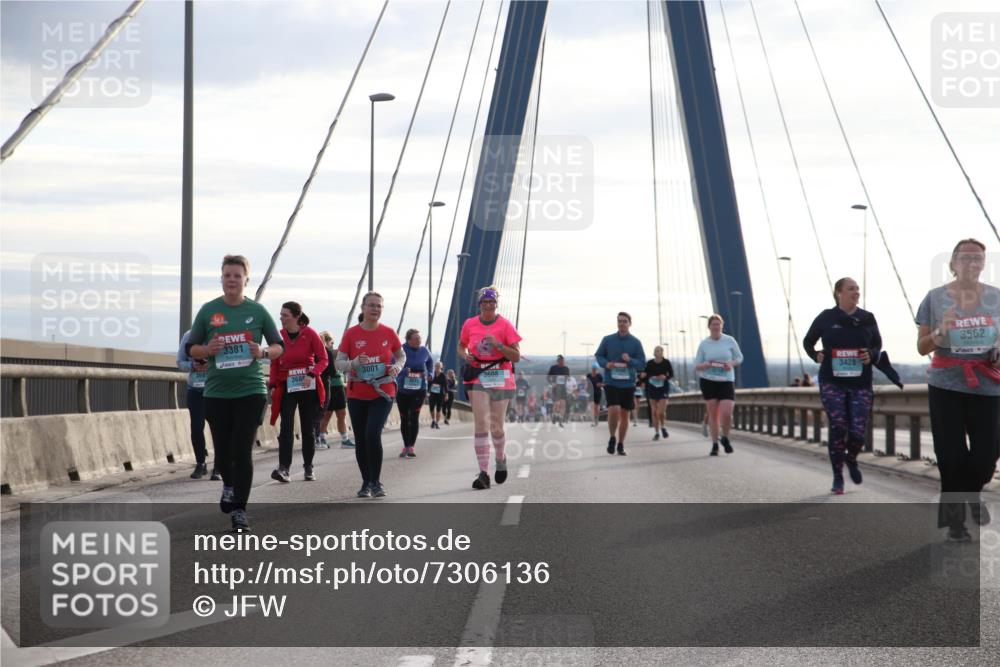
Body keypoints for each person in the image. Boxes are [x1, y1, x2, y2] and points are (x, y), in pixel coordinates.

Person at [186, 255, 283, 532]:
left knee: (242, 451)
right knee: (224, 452)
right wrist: (207, 350)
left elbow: (278, 347)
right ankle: (228, 484)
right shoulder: (208, 311)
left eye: (237, 276)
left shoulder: (258, 311)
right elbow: (191, 349)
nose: (232, 280)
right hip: (216, 392)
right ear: (221, 278)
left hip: (251, 390)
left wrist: (262, 352)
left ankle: (240, 509)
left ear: (246, 280)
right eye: (227, 275)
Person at [916, 238, 1000, 541]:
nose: (972, 263)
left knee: (986, 456)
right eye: (965, 258)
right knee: (951, 457)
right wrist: (942, 331)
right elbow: (921, 346)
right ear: (953, 264)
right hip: (946, 385)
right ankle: (955, 524)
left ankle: (972, 495)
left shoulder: (996, 298)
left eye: (978, 258)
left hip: (988, 385)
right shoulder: (935, 299)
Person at [804, 277, 901, 495]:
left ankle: (851, 458)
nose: (856, 292)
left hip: (860, 383)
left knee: (858, 431)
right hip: (832, 381)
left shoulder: (867, 318)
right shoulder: (827, 317)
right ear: (839, 293)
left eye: (857, 289)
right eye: (851, 289)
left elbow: (877, 344)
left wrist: (871, 354)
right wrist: (815, 355)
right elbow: (808, 341)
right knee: (838, 426)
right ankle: (838, 477)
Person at [335, 291, 404, 498]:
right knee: (361, 439)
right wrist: (355, 363)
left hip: (383, 392)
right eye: (371, 305)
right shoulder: (351, 334)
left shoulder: (389, 332)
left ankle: (376, 481)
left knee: (372, 434)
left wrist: (397, 368)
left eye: (379, 306)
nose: (375, 309)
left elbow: (401, 356)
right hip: (357, 392)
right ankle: (366, 482)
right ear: (363, 308)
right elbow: (339, 364)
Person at [459, 285, 522, 489]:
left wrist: (499, 345)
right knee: (481, 424)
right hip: (478, 376)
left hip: (501, 376)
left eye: (491, 302)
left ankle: (501, 458)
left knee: (496, 426)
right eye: (484, 302)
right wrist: (464, 354)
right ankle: (483, 474)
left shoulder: (505, 325)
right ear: (479, 305)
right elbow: (461, 345)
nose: (488, 305)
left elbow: (516, 356)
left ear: (496, 304)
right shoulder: (470, 323)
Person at [267, 302, 327, 483]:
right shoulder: (279, 335)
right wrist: (272, 383)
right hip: (287, 385)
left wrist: (312, 373)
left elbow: (323, 359)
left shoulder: (310, 334)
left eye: (285, 315)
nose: (281, 318)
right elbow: (274, 362)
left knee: (308, 428)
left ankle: (308, 467)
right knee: (286, 427)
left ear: (296, 317)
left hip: (307, 385)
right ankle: (284, 468)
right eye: (281, 315)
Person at [595, 312, 646, 455]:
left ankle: (621, 444)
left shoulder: (636, 343)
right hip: (611, 381)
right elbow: (599, 355)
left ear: (630, 323)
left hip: (628, 383)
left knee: (625, 414)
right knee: (614, 409)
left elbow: (642, 363)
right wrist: (607, 364)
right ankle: (612, 437)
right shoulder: (607, 340)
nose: (622, 324)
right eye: (619, 321)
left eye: (624, 321)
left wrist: (630, 360)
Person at [695, 314, 743, 456]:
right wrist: (705, 365)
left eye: (718, 324)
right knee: (713, 414)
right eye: (713, 324)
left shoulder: (729, 341)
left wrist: (731, 363)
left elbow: (739, 357)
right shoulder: (704, 344)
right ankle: (715, 444)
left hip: (726, 381)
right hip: (708, 381)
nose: (716, 327)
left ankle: (726, 438)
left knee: (727, 412)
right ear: (709, 327)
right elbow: (696, 365)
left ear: (722, 326)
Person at [177, 329, 217, 479]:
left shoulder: (219, 335)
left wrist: (210, 365)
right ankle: (201, 463)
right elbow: (180, 362)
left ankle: (219, 466)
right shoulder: (189, 336)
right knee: (196, 427)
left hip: (216, 389)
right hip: (196, 389)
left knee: (218, 428)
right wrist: (193, 366)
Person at [396, 329, 434, 457]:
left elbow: (430, 362)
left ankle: (411, 446)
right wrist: (404, 371)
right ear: (408, 340)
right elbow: (393, 364)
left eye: (420, 338)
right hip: (403, 389)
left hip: (419, 388)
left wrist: (431, 373)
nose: (419, 341)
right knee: (404, 418)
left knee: (414, 416)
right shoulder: (400, 350)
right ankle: (406, 445)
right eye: (416, 339)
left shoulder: (424, 350)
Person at [317, 331, 354, 449]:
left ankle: (344, 439)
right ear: (327, 342)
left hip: (338, 386)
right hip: (331, 386)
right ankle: (321, 437)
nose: (333, 345)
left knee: (341, 414)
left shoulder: (333, 353)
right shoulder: (325, 352)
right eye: (331, 342)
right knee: (327, 415)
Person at [643, 345, 674, 441]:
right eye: (656, 350)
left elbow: (671, 374)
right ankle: (656, 432)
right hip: (652, 388)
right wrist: (646, 376)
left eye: (660, 351)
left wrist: (665, 377)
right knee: (654, 412)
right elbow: (645, 375)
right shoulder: (649, 363)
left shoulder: (666, 362)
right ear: (654, 352)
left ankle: (663, 427)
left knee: (661, 412)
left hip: (663, 388)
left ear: (662, 352)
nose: (658, 352)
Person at [547, 355, 570, 427]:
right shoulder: (553, 368)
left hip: (563, 388)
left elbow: (568, 378)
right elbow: (548, 377)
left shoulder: (566, 368)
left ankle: (560, 419)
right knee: (557, 403)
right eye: (561, 361)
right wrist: (552, 383)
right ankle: (554, 415)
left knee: (563, 404)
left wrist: (567, 382)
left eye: (564, 361)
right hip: (556, 388)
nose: (563, 363)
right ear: (558, 362)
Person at [429, 361, 447, 429]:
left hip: (440, 394)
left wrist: (446, 394)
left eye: (438, 366)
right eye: (436, 366)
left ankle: (436, 423)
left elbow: (445, 386)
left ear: (441, 367)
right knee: (431, 408)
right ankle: (433, 420)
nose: (437, 367)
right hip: (432, 393)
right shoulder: (432, 374)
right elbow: (429, 382)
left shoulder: (443, 376)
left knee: (438, 409)